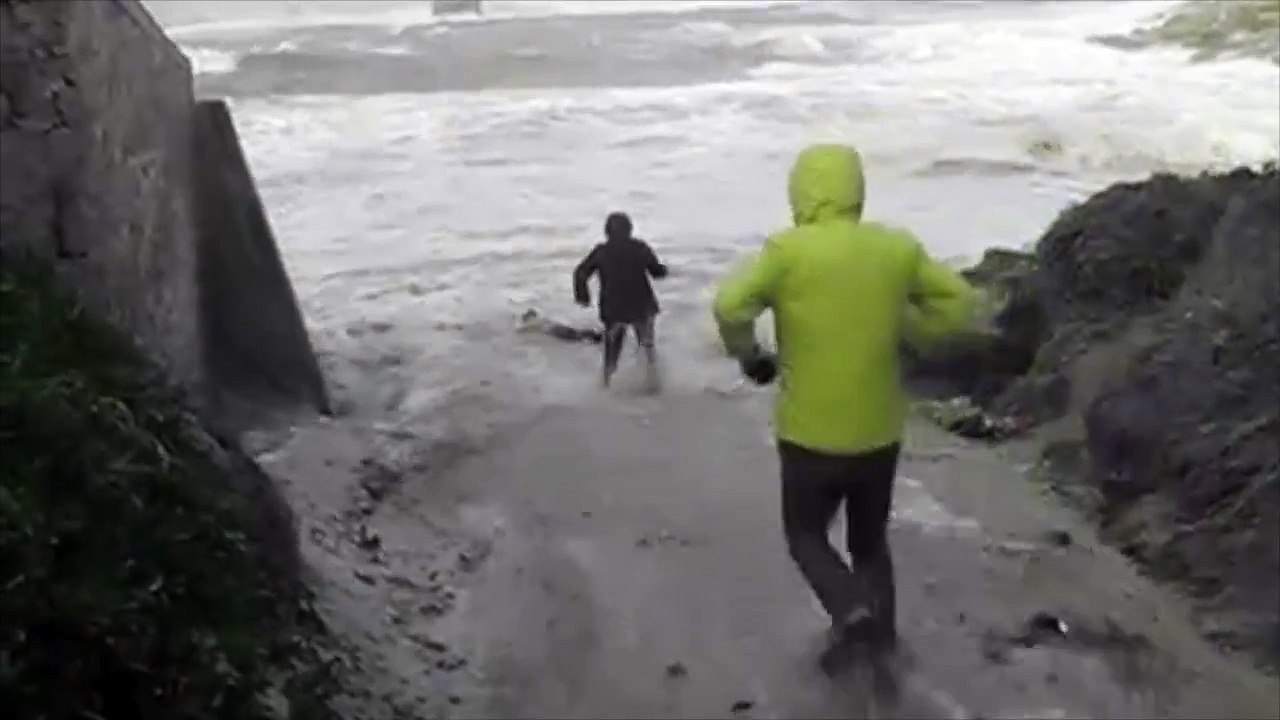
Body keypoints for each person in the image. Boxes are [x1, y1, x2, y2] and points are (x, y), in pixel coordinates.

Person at [712, 143, 977, 673]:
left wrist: (751, 356)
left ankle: (851, 610)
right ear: (857, 191)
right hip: (879, 431)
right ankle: (882, 640)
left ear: (801, 192)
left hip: (809, 432)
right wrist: (911, 333)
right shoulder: (895, 248)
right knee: (870, 542)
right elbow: (960, 302)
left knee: (806, 534)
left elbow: (728, 304)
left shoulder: (788, 252)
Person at [573, 212, 669, 388]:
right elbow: (656, 272)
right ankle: (653, 385)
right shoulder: (640, 248)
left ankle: (606, 385)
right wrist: (664, 270)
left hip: (614, 308)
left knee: (612, 351)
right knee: (647, 346)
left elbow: (580, 273)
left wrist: (583, 297)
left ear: (606, 232)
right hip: (642, 306)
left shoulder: (600, 251)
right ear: (630, 230)